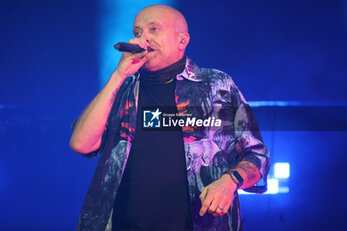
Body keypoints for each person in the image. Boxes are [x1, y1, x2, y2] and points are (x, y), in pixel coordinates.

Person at [70, 4, 270, 231]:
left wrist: (229, 181)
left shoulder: (216, 86)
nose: (142, 39)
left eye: (153, 29)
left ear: (182, 41)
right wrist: (118, 75)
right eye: (137, 32)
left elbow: (257, 155)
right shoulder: (123, 90)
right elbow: (81, 144)